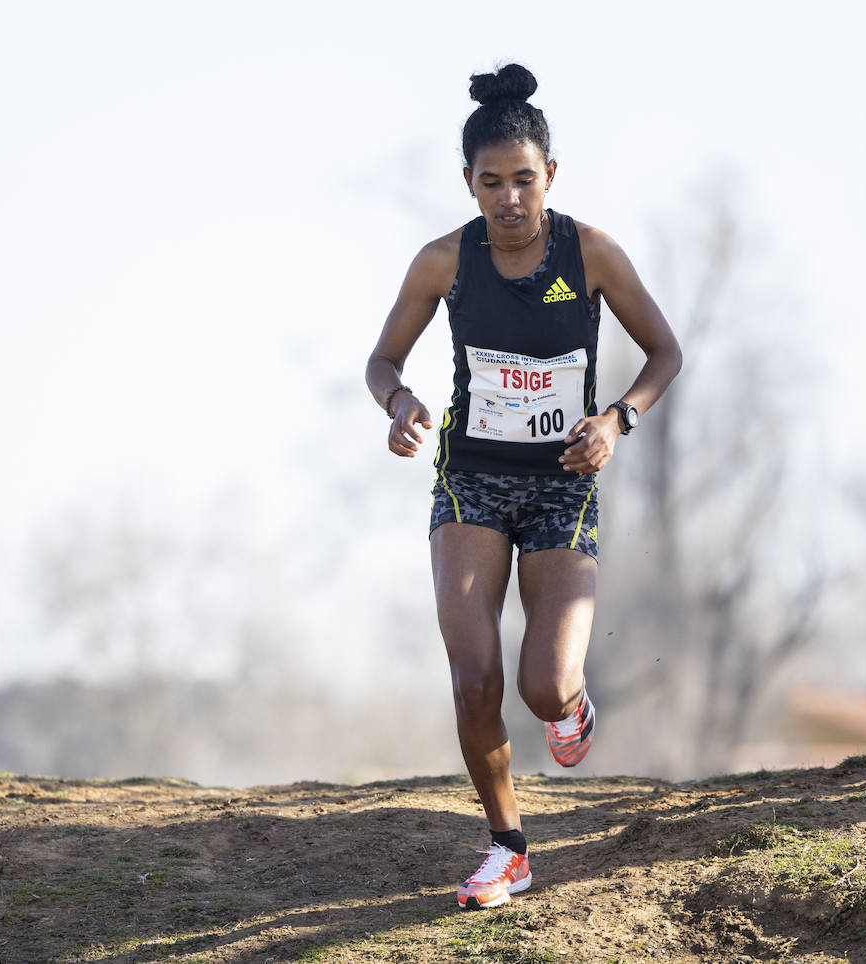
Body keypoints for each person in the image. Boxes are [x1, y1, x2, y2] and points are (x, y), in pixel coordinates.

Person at [365, 63, 682, 910]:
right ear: (468, 185)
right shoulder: (444, 262)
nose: (508, 199)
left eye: (524, 180)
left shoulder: (593, 254)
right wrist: (399, 403)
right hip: (470, 481)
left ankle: (571, 703)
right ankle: (508, 847)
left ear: (551, 176)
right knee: (474, 675)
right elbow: (382, 358)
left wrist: (615, 420)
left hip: (561, 487)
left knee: (542, 686)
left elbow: (665, 353)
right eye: (490, 183)